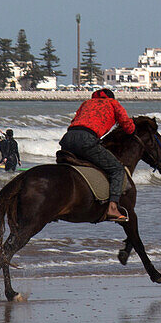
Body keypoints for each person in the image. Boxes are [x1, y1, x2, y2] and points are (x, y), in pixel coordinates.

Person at [59, 88, 134, 222]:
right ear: (111, 97)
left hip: (68, 138)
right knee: (117, 169)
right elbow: (127, 126)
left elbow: (74, 121)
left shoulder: (86, 103)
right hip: (87, 139)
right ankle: (112, 207)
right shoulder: (113, 103)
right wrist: (132, 128)